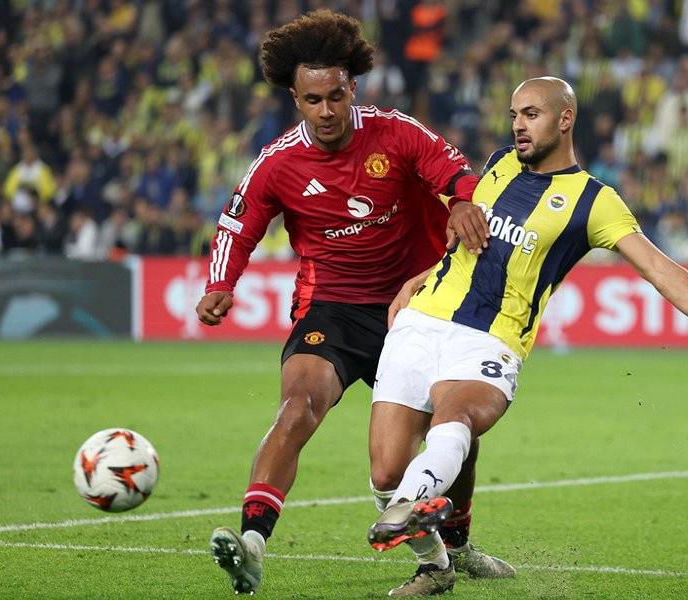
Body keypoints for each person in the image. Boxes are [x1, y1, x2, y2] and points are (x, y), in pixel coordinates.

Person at [365, 77, 688, 596]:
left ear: (565, 119)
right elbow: (462, 242)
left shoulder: (595, 201)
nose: (518, 125)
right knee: (384, 473)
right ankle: (438, 562)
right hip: (421, 323)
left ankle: (415, 501)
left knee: (456, 418)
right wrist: (419, 278)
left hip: (492, 339)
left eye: (530, 114)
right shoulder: (497, 165)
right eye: (514, 114)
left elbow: (655, 265)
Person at [194, 9, 513, 595]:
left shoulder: (396, 132)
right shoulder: (278, 163)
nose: (326, 111)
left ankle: (458, 545)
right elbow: (238, 225)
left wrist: (464, 200)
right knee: (298, 405)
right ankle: (253, 542)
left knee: (453, 429)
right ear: (295, 99)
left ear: (353, 89)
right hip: (332, 309)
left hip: (416, 307)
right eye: (313, 100)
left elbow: (456, 172)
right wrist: (220, 284)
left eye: (336, 96)